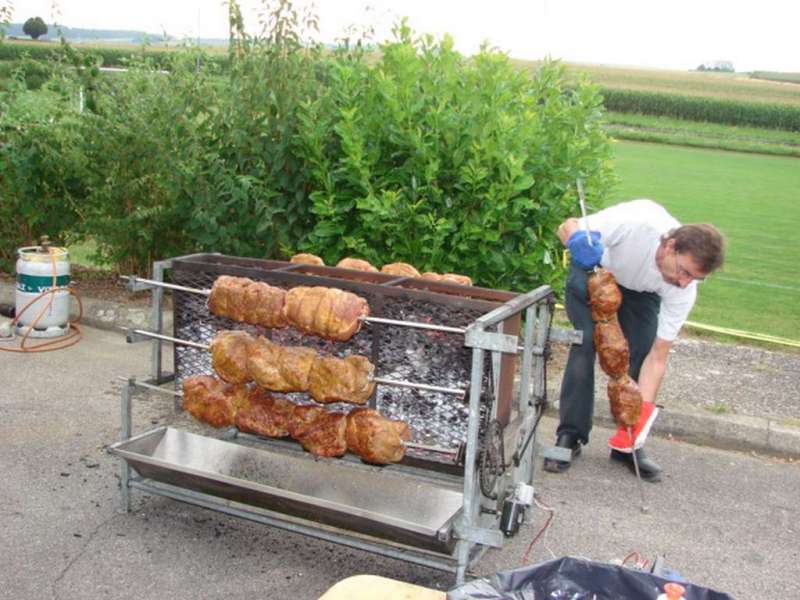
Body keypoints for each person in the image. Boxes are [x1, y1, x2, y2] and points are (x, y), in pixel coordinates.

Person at [543, 199, 725, 482]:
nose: (685, 282)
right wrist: (579, 242)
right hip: (596, 272)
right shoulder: (637, 223)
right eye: (684, 271)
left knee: (639, 350)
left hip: (643, 293)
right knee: (587, 343)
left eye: (696, 278)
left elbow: (659, 356)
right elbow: (567, 226)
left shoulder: (682, 289)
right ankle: (570, 434)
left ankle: (627, 443)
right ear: (669, 246)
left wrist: (640, 421)